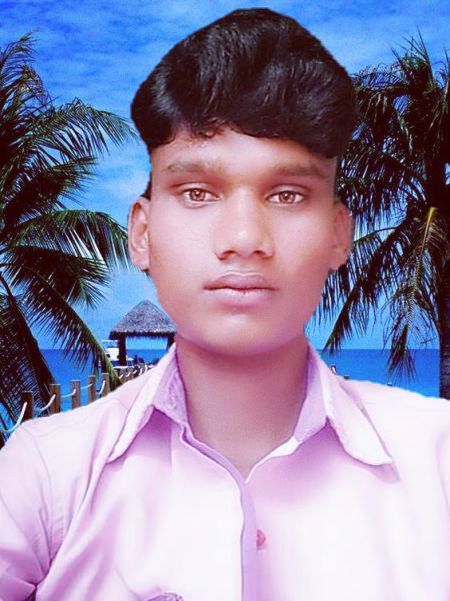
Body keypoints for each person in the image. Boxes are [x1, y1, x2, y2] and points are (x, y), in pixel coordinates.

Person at [1, 8, 449, 601]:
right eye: (197, 193)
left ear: (339, 234)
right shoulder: (45, 474)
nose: (243, 237)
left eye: (287, 195)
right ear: (142, 233)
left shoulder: (437, 461)